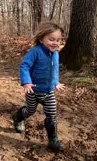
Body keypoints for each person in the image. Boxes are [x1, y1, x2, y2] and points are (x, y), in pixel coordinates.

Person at [12, 22, 66, 151]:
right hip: (33, 91)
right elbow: (25, 65)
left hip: (48, 92)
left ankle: (53, 140)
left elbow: (54, 70)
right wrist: (26, 81)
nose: (55, 43)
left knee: (51, 114)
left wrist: (55, 83)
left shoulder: (56, 53)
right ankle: (18, 117)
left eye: (58, 40)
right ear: (41, 39)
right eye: (51, 39)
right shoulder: (35, 52)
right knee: (30, 111)